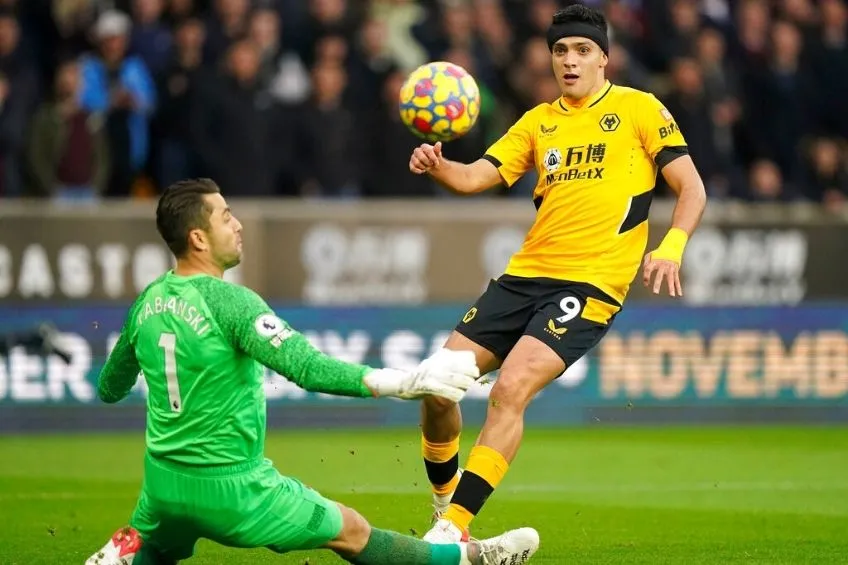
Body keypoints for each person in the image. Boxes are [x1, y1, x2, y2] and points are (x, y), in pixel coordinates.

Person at [85, 178, 540, 565]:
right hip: (232, 488)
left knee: (160, 548)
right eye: (225, 216)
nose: (238, 223)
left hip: (161, 485)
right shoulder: (231, 302)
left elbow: (108, 388)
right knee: (353, 531)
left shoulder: (147, 301)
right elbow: (306, 367)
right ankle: (466, 558)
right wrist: (402, 382)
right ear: (199, 239)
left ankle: (126, 548)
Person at [408, 4, 708, 543]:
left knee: (510, 389)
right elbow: (478, 175)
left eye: (582, 50)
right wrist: (439, 166)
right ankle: (442, 506)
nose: (569, 61)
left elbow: (692, 187)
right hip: (523, 277)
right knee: (438, 389)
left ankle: (452, 531)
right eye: (560, 51)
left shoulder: (639, 109)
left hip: (588, 284)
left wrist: (672, 246)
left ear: (604, 59)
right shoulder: (538, 122)